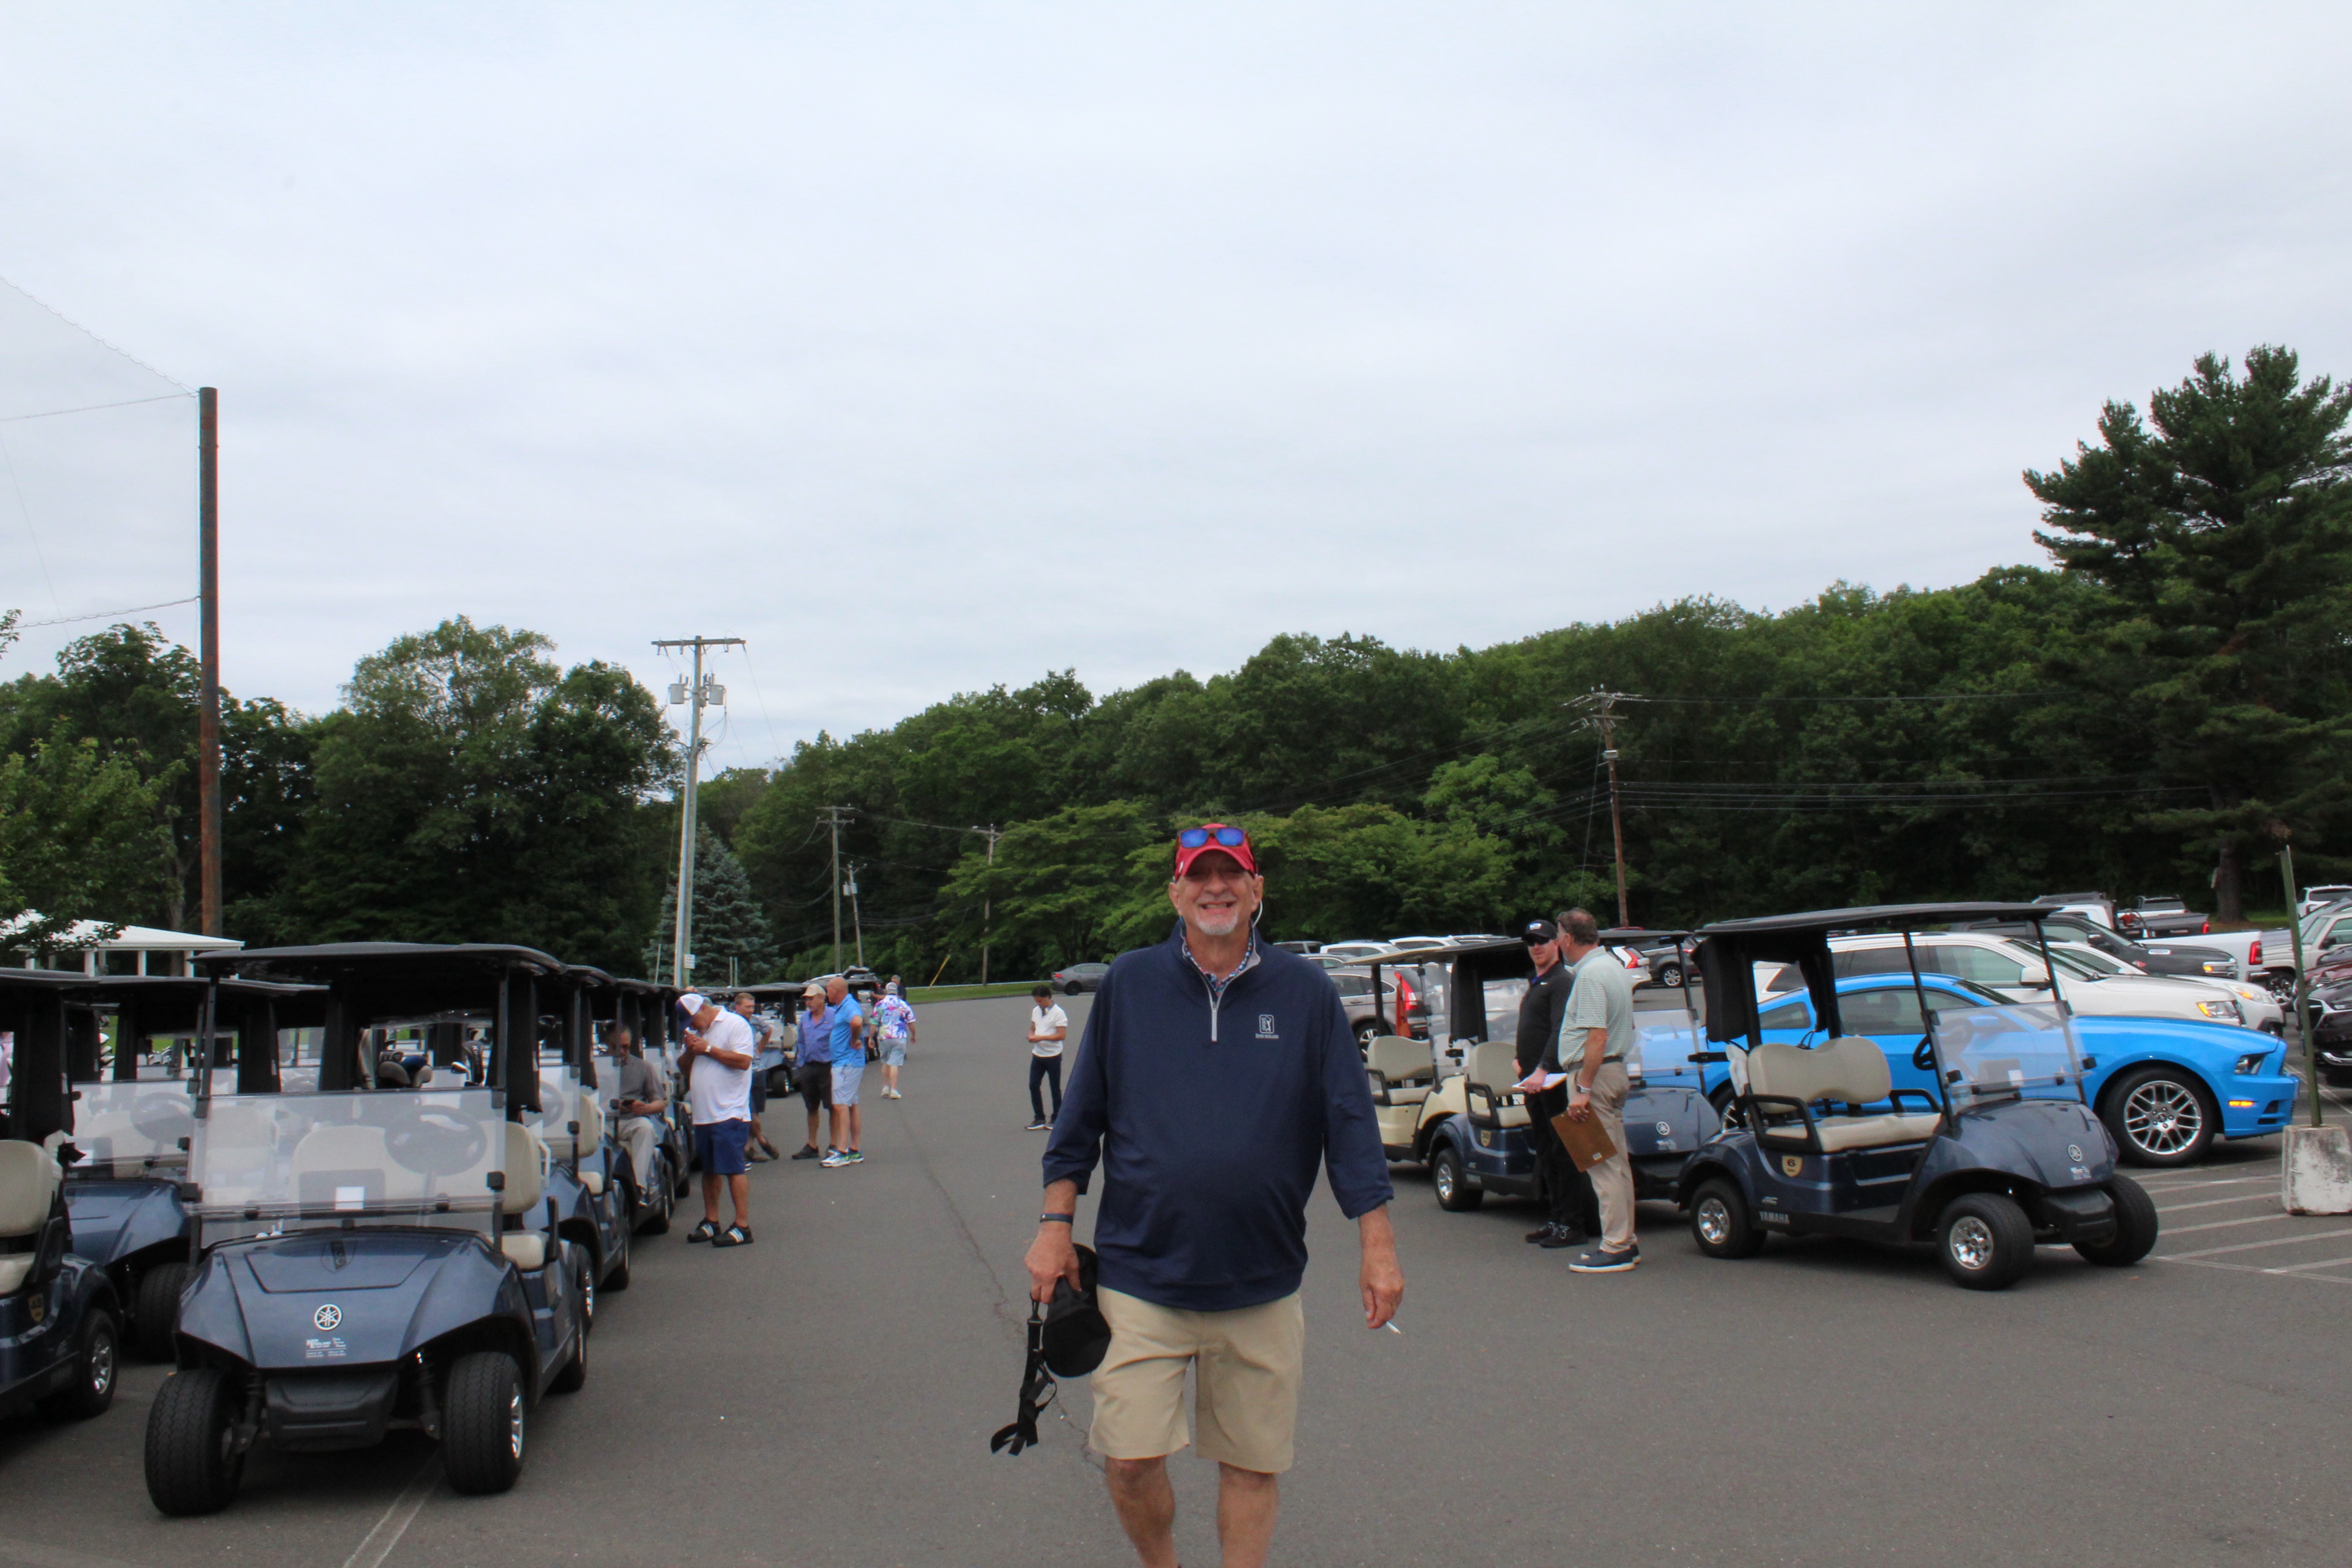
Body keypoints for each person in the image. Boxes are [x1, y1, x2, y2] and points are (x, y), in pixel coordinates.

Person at [1025, 823, 1403, 1568]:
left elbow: (1350, 1123)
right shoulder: (1130, 984)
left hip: (1260, 1280)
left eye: (1231, 874)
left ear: (1257, 890)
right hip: (1141, 1276)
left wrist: (1378, 1244)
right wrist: (1053, 1224)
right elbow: (1080, 1118)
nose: (1216, 888)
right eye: (1199, 875)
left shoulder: (1305, 993)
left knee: (1251, 1466)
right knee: (1129, 1461)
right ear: (1175, 892)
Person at [1553, 907, 1640, 1273]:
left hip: (1594, 1076)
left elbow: (1597, 1036)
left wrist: (1583, 1089)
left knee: (1601, 1166)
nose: (1557, 943)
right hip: (1614, 1071)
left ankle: (1616, 1246)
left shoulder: (1589, 976)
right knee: (1617, 1164)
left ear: (1567, 938)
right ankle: (1625, 1240)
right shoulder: (1613, 967)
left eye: (1558, 936)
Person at [1510, 918, 1600, 1249]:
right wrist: (1521, 1061)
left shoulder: (1562, 981)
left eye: (1543, 941)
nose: (1536, 947)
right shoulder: (1537, 982)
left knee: (1567, 1152)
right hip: (1533, 1083)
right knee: (1546, 1152)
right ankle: (1557, 1217)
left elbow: (1560, 1029)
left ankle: (1574, 1224)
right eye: (1531, 942)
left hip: (1555, 1081)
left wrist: (1543, 1068)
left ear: (1557, 944)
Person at [679, 991, 757, 1246]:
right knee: (710, 1168)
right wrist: (692, 1050)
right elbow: (684, 1067)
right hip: (704, 1113)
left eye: (692, 1020)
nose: (692, 1026)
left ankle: (742, 1225)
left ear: (702, 1009)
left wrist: (709, 1049)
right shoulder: (697, 1033)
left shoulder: (735, 1024)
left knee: (733, 1168)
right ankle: (712, 1220)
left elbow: (743, 1062)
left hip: (729, 1111)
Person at [607, 1024, 668, 1194]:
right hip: (604, 1121)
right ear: (607, 1045)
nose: (622, 1052)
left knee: (646, 1128)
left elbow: (660, 1103)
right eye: (617, 1047)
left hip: (631, 1120)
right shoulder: (595, 1068)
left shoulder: (643, 1068)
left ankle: (637, 1187)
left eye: (626, 1047)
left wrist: (645, 1108)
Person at [819, 977, 868, 1167]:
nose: (827, 994)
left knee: (840, 1105)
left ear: (836, 990)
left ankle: (842, 1151)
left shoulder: (849, 1006)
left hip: (846, 1063)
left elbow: (857, 1022)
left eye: (828, 990)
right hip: (847, 1062)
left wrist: (854, 1040)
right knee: (852, 1104)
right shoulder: (843, 1006)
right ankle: (854, 1149)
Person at [737, 991, 784, 1160]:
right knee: (748, 1110)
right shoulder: (732, 1022)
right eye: (747, 1007)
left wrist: (759, 1050)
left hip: (757, 1069)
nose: (751, 1010)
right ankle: (762, 1140)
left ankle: (749, 1148)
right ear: (738, 1006)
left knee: (755, 1110)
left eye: (752, 1007)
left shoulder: (756, 1021)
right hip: (741, 1072)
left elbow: (768, 1031)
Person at [792, 982, 834, 1159]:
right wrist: (801, 1064)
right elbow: (801, 1042)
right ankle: (812, 1145)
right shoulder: (805, 1018)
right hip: (809, 1067)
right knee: (811, 1107)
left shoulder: (833, 1016)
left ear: (821, 998)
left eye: (811, 999)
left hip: (828, 1067)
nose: (808, 1003)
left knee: (833, 1106)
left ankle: (834, 1145)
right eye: (806, 1000)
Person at [1025, 982, 1068, 1130]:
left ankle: (1057, 1118)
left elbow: (1062, 1035)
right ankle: (1039, 1118)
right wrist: (1031, 1036)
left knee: (1055, 1088)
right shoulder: (1036, 1011)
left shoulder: (1059, 1013)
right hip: (1038, 1055)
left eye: (1040, 1001)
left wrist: (1042, 1038)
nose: (1038, 1004)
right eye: (1036, 1001)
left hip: (1053, 1056)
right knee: (1033, 1085)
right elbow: (1033, 1028)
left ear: (1048, 997)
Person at [872, 980, 916, 1099]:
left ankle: (885, 1087)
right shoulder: (903, 1004)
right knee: (894, 1063)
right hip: (899, 1036)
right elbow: (911, 1022)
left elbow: (874, 1022)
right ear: (896, 991)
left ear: (886, 991)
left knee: (885, 1061)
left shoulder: (880, 1005)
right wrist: (914, 1035)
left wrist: (870, 1038)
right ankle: (894, 1090)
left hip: (884, 1036)